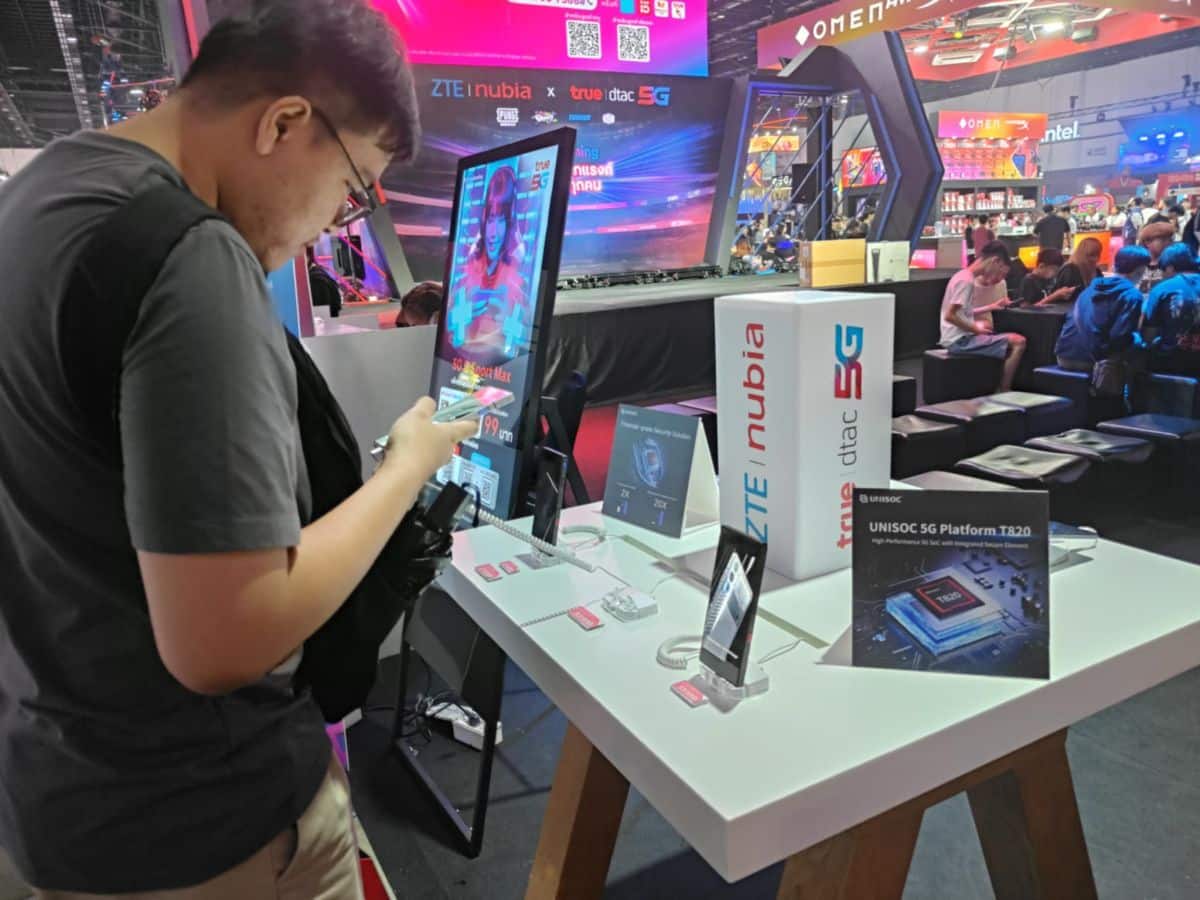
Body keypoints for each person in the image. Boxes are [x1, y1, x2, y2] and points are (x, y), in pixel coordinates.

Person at [0, 2, 480, 897]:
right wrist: (406, 467)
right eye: (353, 186)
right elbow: (226, 633)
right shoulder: (188, 255)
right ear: (284, 123)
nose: (336, 222)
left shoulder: (44, 195)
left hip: (63, 787)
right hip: (204, 823)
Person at [445, 164, 528, 365]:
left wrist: (505, 323)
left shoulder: (517, 276)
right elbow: (451, 328)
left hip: (499, 366)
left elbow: (523, 337)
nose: (493, 233)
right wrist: (466, 314)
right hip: (463, 363)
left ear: (510, 224)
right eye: (491, 219)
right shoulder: (470, 268)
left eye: (501, 220)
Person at [939, 241, 1026, 392]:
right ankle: (1004, 390)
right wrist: (975, 329)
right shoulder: (966, 281)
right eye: (1000, 271)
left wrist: (990, 307)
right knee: (1019, 341)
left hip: (958, 338)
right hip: (960, 341)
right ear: (995, 261)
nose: (999, 277)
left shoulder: (962, 276)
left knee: (998, 334)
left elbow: (961, 313)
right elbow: (950, 315)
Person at [1054, 245, 1152, 372]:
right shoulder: (1132, 295)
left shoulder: (1090, 289)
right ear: (1140, 270)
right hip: (1095, 362)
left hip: (1063, 355)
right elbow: (1120, 337)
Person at [1142, 243, 1200, 375]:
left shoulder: (1162, 289)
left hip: (1170, 365)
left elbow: (1149, 335)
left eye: (1163, 270)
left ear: (1170, 268)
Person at [1053, 236, 1103, 303]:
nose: (1096, 259)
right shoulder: (1069, 270)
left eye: (1098, 255)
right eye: (1091, 255)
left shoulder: (1097, 271)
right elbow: (1062, 298)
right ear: (1082, 254)